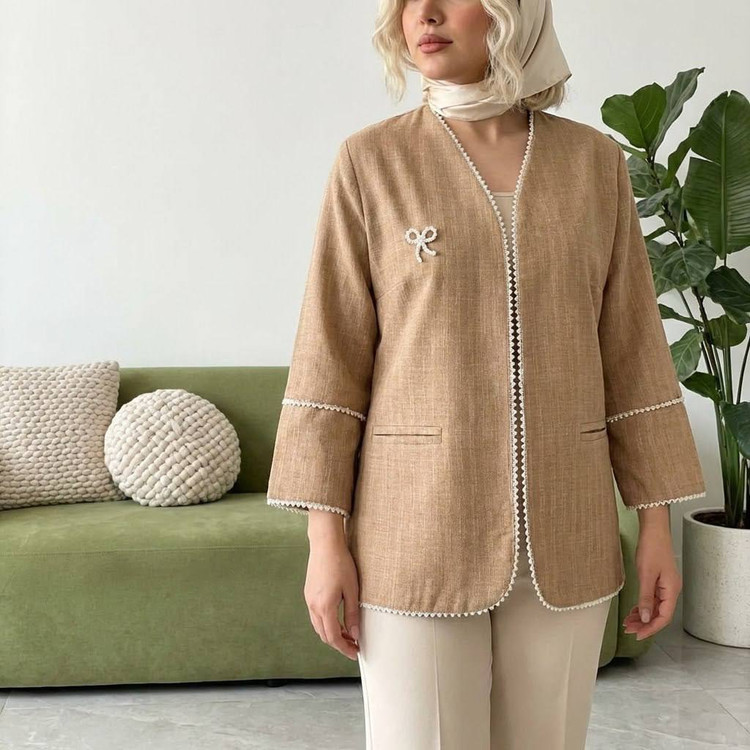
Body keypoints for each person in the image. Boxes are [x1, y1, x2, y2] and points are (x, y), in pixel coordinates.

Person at [266, 0, 706, 747]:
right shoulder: (372, 162)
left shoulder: (594, 163)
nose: (425, 14)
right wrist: (324, 543)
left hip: (568, 530)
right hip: (415, 532)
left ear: (514, 13)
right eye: (409, 1)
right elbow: (329, 359)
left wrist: (656, 526)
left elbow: (632, 350)